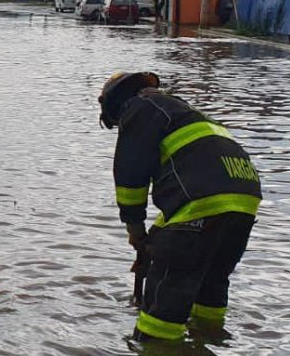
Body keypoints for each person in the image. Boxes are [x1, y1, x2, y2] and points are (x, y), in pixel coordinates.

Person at [98, 72, 261, 341]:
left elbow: (130, 177)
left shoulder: (139, 108)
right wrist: (155, 240)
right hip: (243, 203)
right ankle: (210, 342)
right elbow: (191, 198)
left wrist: (135, 228)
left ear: (116, 104)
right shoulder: (184, 113)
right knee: (211, 283)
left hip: (202, 204)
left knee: (165, 304)